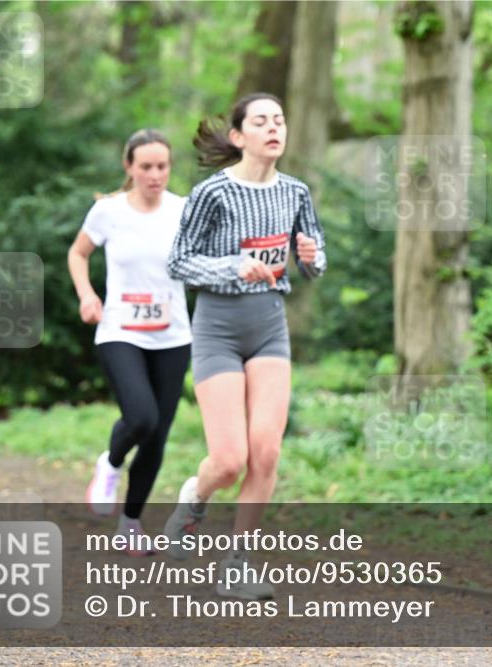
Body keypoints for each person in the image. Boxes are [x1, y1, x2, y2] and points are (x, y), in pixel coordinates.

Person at [162, 93, 326, 599]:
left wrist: (312, 255)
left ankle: (237, 563)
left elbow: (315, 263)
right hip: (218, 329)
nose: (274, 128)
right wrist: (232, 266)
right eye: (261, 121)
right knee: (230, 460)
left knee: (267, 452)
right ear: (239, 137)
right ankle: (195, 494)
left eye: (279, 120)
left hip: (270, 328)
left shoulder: (296, 192)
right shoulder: (212, 193)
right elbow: (178, 262)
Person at [68, 129, 192, 556]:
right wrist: (88, 295)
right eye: (146, 167)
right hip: (120, 329)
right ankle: (111, 462)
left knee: (158, 436)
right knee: (140, 418)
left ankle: (131, 523)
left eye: (162, 166)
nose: (155, 175)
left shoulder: (184, 210)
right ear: (130, 168)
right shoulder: (109, 212)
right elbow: (78, 253)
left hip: (173, 334)